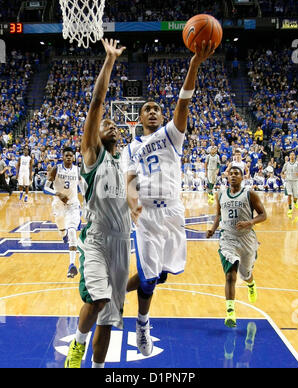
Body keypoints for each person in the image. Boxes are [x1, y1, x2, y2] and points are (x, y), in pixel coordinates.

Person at [125, 40, 216, 356]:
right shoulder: (131, 147)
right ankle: (142, 325)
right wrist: (130, 196)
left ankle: (113, 289)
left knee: (161, 274)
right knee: (149, 281)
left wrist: (194, 65)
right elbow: (129, 177)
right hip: (147, 215)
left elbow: (183, 102)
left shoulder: (171, 134)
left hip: (173, 212)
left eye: (155, 109)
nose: (152, 111)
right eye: (146, 109)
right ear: (138, 118)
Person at [64, 38, 130, 369]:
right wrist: (109, 61)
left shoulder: (125, 161)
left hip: (122, 244)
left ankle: (98, 367)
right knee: (99, 298)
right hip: (97, 240)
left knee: (110, 316)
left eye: (115, 124)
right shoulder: (93, 155)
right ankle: (77, 343)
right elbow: (96, 103)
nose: (111, 125)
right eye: (107, 124)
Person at [207, 166, 267, 328]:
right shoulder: (220, 194)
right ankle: (230, 312)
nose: (233, 176)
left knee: (245, 274)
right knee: (230, 274)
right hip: (228, 238)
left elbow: (263, 215)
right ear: (227, 177)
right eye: (231, 174)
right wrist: (213, 229)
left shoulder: (250, 194)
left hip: (246, 239)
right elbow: (219, 215)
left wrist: (250, 222)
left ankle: (250, 284)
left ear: (242, 177)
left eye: (237, 174)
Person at [44, 147, 81, 278]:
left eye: (71, 155)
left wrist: (88, 201)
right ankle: (62, 233)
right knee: (61, 228)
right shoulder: (56, 169)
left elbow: (83, 187)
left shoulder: (77, 170)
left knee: (72, 231)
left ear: (74, 157)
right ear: (63, 157)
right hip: (58, 204)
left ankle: (72, 265)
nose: (69, 157)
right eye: (66, 155)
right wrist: (58, 193)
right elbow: (45, 188)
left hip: (73, 204)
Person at [281, 151, 298, 218]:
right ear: (289, 156)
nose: (292, 156)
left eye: (293, 155)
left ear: (294, 156)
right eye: (291, 155)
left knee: (296, 196)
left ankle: (295, 202)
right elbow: (282, 172)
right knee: (289, 194)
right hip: (288, 181)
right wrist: (283, 175)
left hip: (295, 181)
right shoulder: (286, 164)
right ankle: (290, 208)